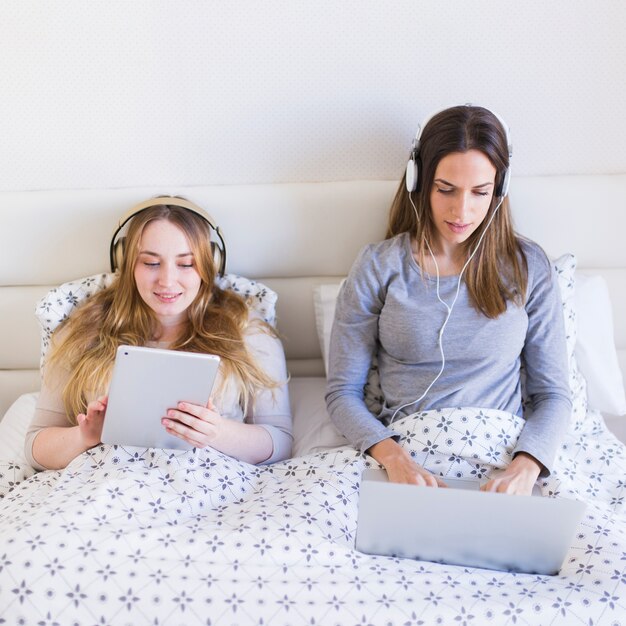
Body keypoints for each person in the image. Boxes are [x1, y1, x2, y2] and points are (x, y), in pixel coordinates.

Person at [325, 105, 571, 496]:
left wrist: (526, 466)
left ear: (500, 189)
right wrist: (395, 459)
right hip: (406, 453)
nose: (462, 211)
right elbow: (342, 393)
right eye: (445, 190)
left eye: (480, 192)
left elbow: (553, 394)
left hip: (504, 457)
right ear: (418, 181)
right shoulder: (378, 265)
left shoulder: (530, 266)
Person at [25, 199, 292, 470]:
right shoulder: (82, 330)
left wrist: (218, 432)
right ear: (127, 263)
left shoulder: (248, 330)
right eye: (151, 263)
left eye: (186, 264)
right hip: (108, 487)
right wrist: (84, 436)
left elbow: (280, 442)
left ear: (210, 264)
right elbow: (36, 448)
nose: (167, 280)